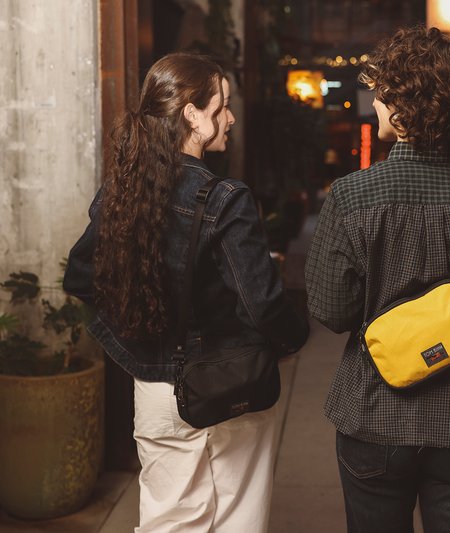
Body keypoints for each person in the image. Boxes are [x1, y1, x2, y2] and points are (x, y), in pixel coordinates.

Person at [63, 52, 309, 532]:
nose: (231, 118)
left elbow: (81, 278)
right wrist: (292, 340)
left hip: (155, 391)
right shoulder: (225, 199)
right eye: (223, 107)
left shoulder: (121, 190)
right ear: (193, 115)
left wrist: (137, 345)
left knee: (167, 523)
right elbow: (262, 303)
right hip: (229, 383)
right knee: (237, 519)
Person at [304, 26, 450, 533]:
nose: (374, 105)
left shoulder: (350, 195)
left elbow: (332, 310)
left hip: (375, 417)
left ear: (403, 107)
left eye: (380, 96)